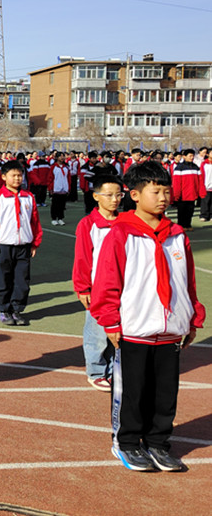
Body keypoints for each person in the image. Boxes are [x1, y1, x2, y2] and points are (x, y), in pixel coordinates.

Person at [90, 161, 205, 473]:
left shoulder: (177, 235)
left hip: (170, 329)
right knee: (133, 391)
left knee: (165, 393)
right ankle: (127, 442)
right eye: (156, 192)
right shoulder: (121, 234)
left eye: (167, 191)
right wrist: (110, 320)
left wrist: (192, 316)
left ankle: (158, 443)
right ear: (135, 195)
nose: (163, 198)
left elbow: (187, 281)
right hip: (134, 327)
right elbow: (107, 281)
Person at [72, 173, 121, 392]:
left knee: (118, 330)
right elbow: (82, 257)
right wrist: (83, 288)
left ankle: (114, 369)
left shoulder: (125, 222)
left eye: (118, 195)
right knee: (97, 331)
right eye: (109, 195)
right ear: (96, 196)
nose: (114, 200)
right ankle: (97, 371)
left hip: (122, 286)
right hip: (97, 287)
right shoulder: (88, 224)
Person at [0, 160, 42, 326]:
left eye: (19, 175)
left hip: (24, 245)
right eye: (13, 175)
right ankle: (4, 309)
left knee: (22, 280)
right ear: (4, 177)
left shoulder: (29, 197)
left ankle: (17, 309)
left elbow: (34, 221)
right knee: (3, 278)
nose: (17, 178)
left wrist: (35, 243)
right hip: (4, 245)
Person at [171, 149, 204, 230]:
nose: (192, 157)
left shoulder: (196, 167)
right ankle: (181, 225)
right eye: (190, 156)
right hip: (182, 195)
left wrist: (201, 192)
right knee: (181, 211)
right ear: (184, 156)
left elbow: (200, 181)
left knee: (190, 211)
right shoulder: (179, 167)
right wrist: (176, 194)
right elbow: (176, 182)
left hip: (192, 194)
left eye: (193, 156)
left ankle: (188, 224)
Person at [48, 152, 71, 226]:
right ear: (56, 158)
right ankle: (54, 218)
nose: (62, 158)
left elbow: (68, 178)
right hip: (56, 189)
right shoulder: (53, 167)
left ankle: (60, 218)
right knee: (55, 205)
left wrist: (68, 188)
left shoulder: (66, 167)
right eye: (60, 156)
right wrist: (50, 188)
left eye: (63, 156)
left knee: (62, 205)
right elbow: (50, 178)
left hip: (64, 189)